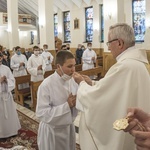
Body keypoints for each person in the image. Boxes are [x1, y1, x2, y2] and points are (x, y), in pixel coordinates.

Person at [72, 23, 150, 150]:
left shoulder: (124, 66)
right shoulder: (138, 63)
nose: (108, 48)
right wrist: (92, 83)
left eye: (109, 43)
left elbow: (98, 98)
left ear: (119, 43)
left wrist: (81, 83)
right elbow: (112, 89)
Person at [36, 50, 78, 150]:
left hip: (68, 127)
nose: (73, 70)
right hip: (53, 131)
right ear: (58, 66)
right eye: (69, 66)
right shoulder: (46, 85)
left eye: (74, 66)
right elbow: (41, 113)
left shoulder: (71, 80)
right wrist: (67, 105)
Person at [0, 53, 21, 139]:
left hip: (7, 95)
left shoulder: (6, 68)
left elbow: (12, 80)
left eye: (0, 57)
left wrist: (6, 81)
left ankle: (11, 131)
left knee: (9, 113)